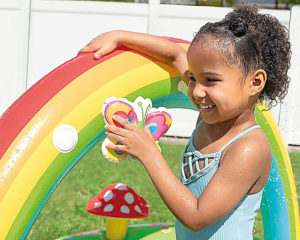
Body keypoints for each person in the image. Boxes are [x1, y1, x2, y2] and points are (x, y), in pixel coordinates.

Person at [79, 4, 291, 239]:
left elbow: (196, 216)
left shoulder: (248, 147)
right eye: (192, 77)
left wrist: (150, 154)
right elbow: (175, 54)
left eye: (210, 79)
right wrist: (119, 36)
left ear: (255, 82)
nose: (197, 91)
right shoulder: (209, 116)